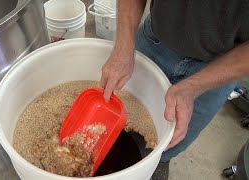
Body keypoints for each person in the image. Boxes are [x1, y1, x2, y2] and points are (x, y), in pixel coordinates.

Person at [100, 0, 249, 179]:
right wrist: (124, 45)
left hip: (224, 65)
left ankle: (159, 163)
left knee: (168, 142)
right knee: (120, 116)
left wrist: (193, 87)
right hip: (156, 38)